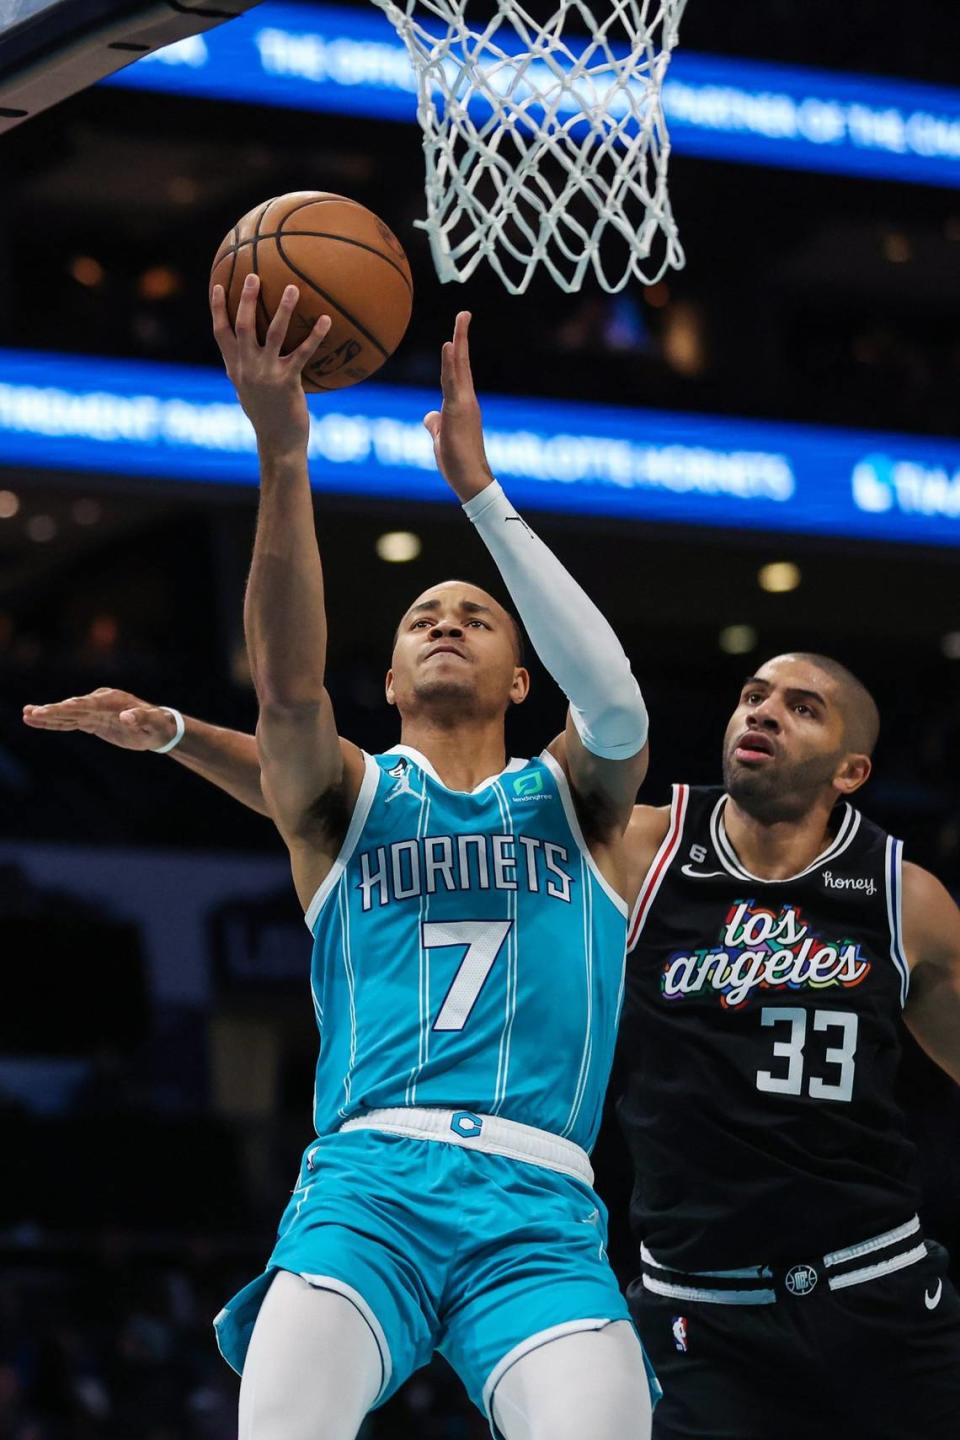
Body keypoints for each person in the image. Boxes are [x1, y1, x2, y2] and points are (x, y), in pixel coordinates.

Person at [26, 280, 658, 1440]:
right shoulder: (344, 803)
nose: (446, 622)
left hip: (543, 1212)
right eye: (422, 617)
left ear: (524, 680)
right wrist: (284, 454)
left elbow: (615, 705)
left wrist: (480, 495)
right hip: (368, 1193)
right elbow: (282, 692)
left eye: (475, 614)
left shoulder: (577, 801)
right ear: (390, 682)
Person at [618, 652, 960, 1439]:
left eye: (803, 708)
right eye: (753, 696)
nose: (764, 712)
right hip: (700, 1320)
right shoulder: (645, 850)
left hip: (880, 1301)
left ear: (851, 770)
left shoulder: (903, 898)